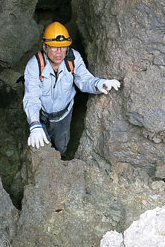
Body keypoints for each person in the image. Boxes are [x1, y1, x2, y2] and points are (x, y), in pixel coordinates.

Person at [22, 21, 120, 156]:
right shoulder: (35, 65)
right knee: (42, 151)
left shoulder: (73, 59)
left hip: (64, 115)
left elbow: (84, 80)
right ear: (45, 47)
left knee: (61, 147)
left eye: (63, 47)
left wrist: (99, 83)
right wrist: (34, 124)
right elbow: (31, 97)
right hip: (42, 115)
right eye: (54, 47)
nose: (59, 52)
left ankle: (62, 159)